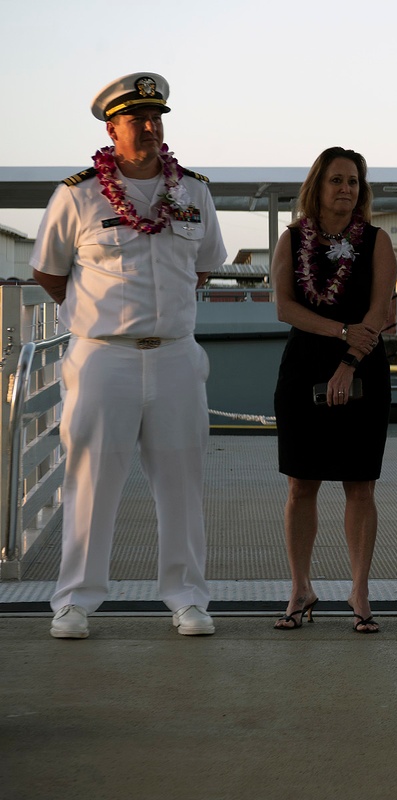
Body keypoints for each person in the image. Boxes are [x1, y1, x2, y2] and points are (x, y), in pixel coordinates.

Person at [30, 72, 227, 638]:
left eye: (157, 117)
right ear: (111, 127)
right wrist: (95, 316)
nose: (150, 126)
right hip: (103, 358)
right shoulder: (78, 193)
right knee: (89, 482)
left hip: (175, 357)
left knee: (183, 483)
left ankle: (187, 598)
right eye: (137, 118)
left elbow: (203, 265)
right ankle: (74, 601)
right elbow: (49, 270)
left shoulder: (193, 191)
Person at [271, 147, 395, 633]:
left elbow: (378, 311)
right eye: (336, 181)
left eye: (354, 182)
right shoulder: (291, 239)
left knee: (359, 485)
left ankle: (359, 590)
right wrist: (339, 334)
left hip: (362, 364)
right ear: (317, 187)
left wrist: (348, 361)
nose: (347, 189)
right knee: (301, 484)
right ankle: (300, 587)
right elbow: (284, 307)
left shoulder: (377, 241)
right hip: (304, 367)